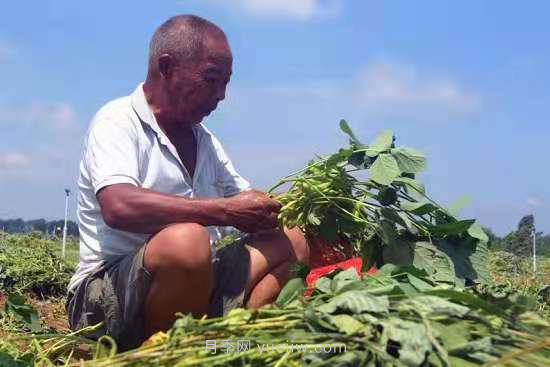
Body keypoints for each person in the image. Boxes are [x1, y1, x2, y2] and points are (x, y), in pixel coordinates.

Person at [66, 14, 310, 351]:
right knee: (188, 239)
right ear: (166, 67)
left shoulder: (204, 140)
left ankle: (236, 343)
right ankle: (160, 353)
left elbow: (245, 198)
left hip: (193, 285)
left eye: (226, 82)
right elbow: (118, 205)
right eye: (211, 80)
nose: (221, 95)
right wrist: (223, 211)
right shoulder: (117, 121)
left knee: (293, 239)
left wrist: (297, 204)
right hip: (105, 297)